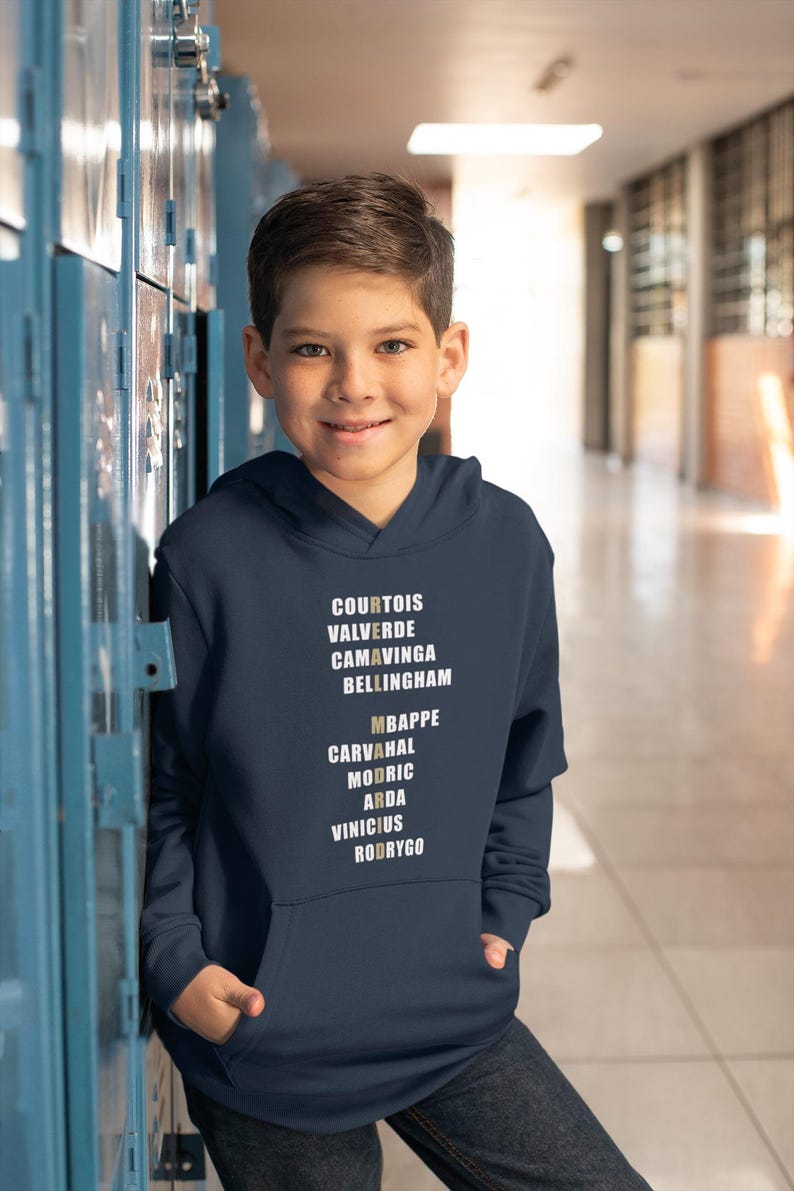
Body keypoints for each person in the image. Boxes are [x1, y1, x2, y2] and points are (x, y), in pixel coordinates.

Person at [140, 173, 653, 1190]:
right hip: (266, 1035)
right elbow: (164, 785)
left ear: (447, 356)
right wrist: (175, 961)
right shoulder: (208, 555)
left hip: (449, 1009)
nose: (354, 384)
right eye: (312, 349)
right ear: (259, 360)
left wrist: (506, 906)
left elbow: (525, 754)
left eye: (391, 344)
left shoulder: (505, 543)